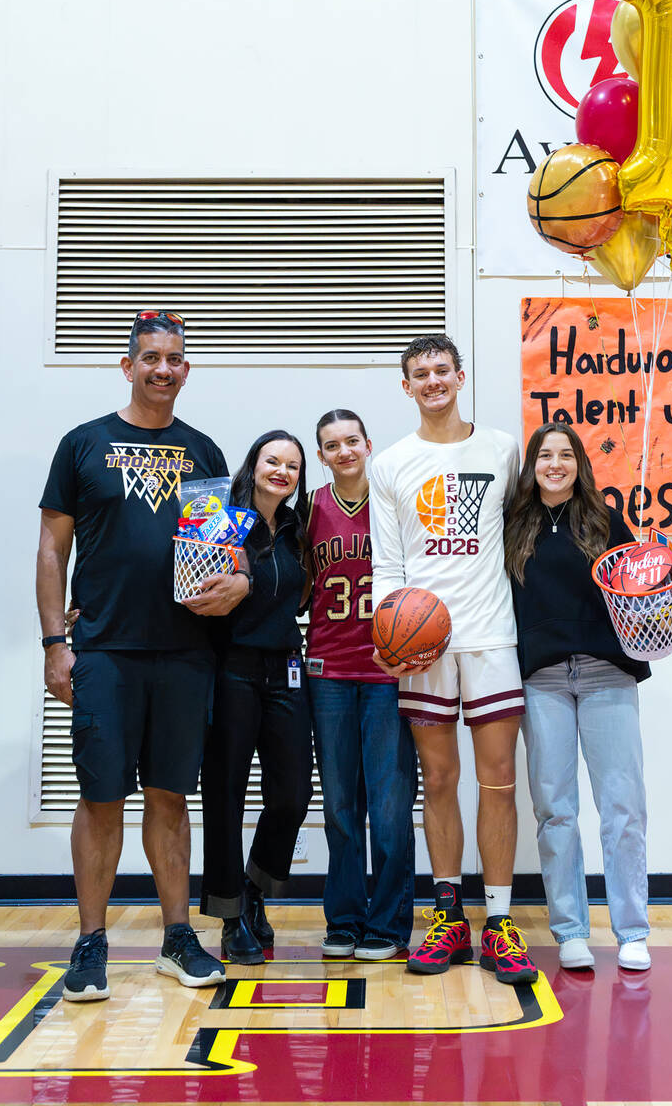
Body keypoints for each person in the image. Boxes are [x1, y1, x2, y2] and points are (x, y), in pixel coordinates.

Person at [37, 310, 249, 1002]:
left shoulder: (205, 453)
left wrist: (233, 582)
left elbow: (224, 553)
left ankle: (177, 936)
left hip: (186, 656)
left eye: (176, 359)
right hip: (104, 652)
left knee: (169, 797)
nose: (164, 368)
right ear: (127, 366)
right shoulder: (83, 445)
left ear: (187, 370)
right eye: (151, 357)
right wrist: (54, 642)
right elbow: (51, 549)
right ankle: (91, 941)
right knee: (100, 798)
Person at [369, 334, 537, 984]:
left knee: (497, 781)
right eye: (420, 373)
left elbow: (523, 543)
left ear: (460, 376)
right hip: (423, 646)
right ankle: (447, 916)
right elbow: (388, 565)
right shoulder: (391, 464)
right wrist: (390, 633)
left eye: (442, 370)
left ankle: (499, 921)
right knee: (437, 783)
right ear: (406, 386)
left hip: (492, 637)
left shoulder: (501, 450)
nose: (433, 380)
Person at [504, 421, 651, 972]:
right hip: (542, 680)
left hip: (605, 674)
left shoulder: (606, 519)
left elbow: (639, 594)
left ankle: (632, 931)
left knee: (622, 807)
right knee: (555, 810)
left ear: (579, 463)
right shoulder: (514, 526)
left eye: (566, 455)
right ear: (533, 465)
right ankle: (570, 929)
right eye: (546, 455)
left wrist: (654, 570)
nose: (555, 464)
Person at [306, 409, 417, 960]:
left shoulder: (394, 500)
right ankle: (344, 918)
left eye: (352, 440)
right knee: (340, 807)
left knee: (391, 805)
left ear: (369, 444)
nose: (344, 451)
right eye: (332, 444)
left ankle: (391, 922)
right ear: (321, 454)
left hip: (387, 671)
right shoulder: (312, 508)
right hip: (327, 670)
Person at [200, 430, 314, 965]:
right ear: (255, 464)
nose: (282, 472)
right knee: (225, 792)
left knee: (292, 793)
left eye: (292, 465)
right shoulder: (221, 520)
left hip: (288, 666)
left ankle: (254, 889)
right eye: (273, 460)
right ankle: (229, 918)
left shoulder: (297, 528)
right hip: (233, 668)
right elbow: (193, 587)